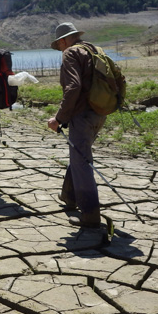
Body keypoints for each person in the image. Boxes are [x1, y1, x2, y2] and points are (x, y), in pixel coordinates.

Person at [47, 22, 106, 228]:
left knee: (81, 162)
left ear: (63, 40)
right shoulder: (93, 49)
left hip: (82, 116)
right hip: (100, 113)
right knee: (78, 154)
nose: (61, 49)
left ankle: (90, 215)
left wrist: (59, 118)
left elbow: (73, 87)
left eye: (60, 45)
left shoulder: (71, 53)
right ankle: (68, 196)